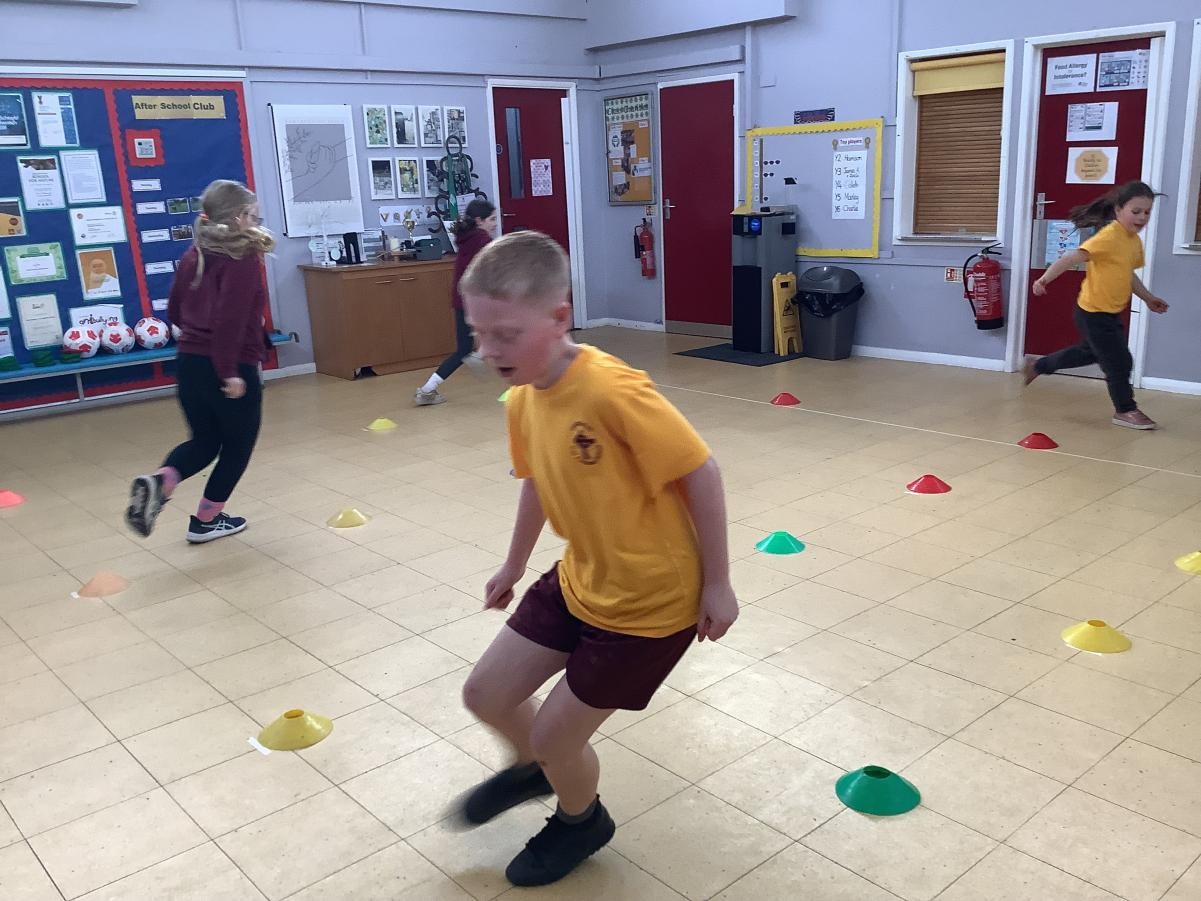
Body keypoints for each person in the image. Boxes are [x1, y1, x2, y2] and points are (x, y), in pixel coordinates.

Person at [454, 230, 739, 887]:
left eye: (505, 333)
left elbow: (701, 470)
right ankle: (534, 767)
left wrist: (718, 583)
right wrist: (513, 564)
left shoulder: (612, 390)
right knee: (485, 694)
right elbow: (536, 478)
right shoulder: (523, 394)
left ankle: (580, 820)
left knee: (557, 736)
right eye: (478, 333)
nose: (488, 350)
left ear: (559, 318)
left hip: (650, 605)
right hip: (582, 578)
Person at [124, 179, 275, 543]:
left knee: (205, 441)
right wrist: (228, 371)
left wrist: (200, 340)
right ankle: (207, 520)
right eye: (254, 215)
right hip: (229, 365)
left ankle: (160, 481)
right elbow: (229, 320)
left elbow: (175, 311)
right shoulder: (241, 259)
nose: (257, 222)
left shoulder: (195, 254)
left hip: (190, 362)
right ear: (238, 218)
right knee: (238, 447)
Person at [1025, 180, 1170, 429]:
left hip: (1109, 312)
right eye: (1136, 211)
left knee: (1089, 352)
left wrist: (1148, 298)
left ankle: (1038, 365)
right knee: (1119, 362)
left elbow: (1128, 274)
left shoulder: (1133, 241)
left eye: (1147, 212)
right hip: (1092, 312)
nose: (1142, 217)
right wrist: (1044, 279)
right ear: (1118, 210)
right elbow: (1071, 258)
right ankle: (1125, 410)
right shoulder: (1108, 237)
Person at [415, 198, 497, 405]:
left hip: (463, 299)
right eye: (492, 219)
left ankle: (427, 389)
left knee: (463, 349)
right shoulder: (482, 240)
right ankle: (482, 354)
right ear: (479, 220)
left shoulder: (466, 238)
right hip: (473, 300)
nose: (495, 224)